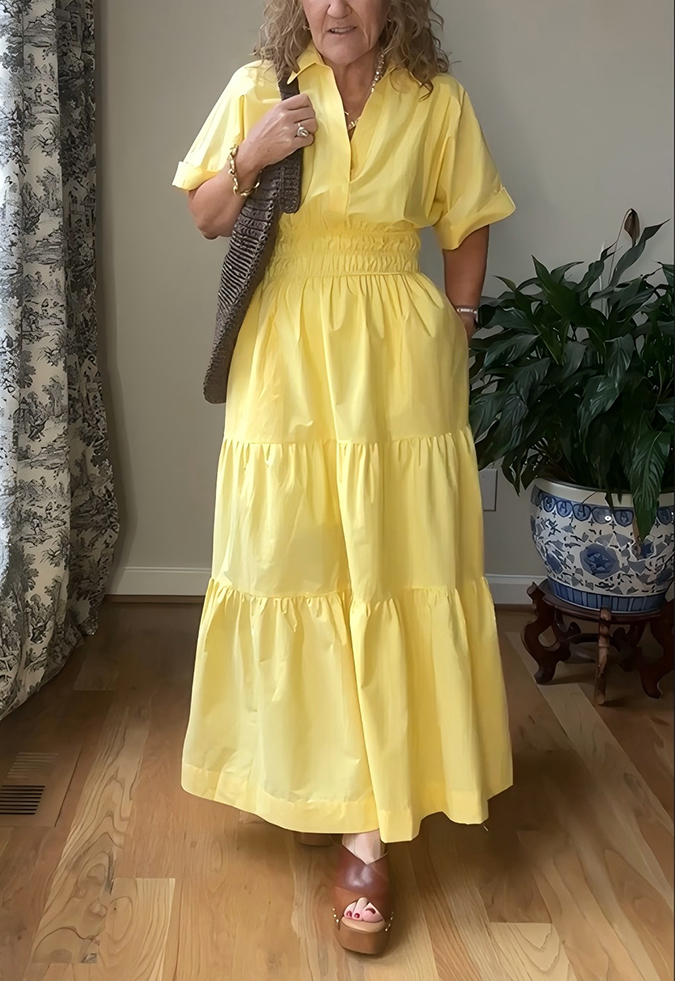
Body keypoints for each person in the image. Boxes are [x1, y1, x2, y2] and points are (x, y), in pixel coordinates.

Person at [172, 0, 515, 957]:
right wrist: (252, 153)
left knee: (391, 572)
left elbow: (466, 220)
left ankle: (365, 830)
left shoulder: (436, 101)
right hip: (283, 349)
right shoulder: (258, 87)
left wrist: (457, 326)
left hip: (398, 357)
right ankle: (311, 776)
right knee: (292, 569)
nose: (335, 8)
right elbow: (205, 215)